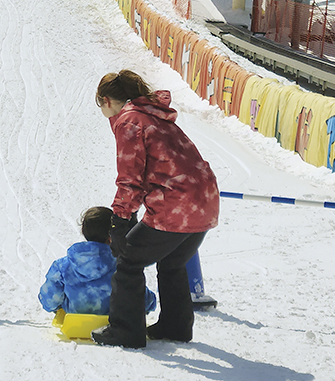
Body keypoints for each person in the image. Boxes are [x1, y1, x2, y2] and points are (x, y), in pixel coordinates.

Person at [91, 70, 219, 349]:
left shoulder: (130, 120)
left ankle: (125, 332)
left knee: (128, 263)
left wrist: (120, 220)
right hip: (206, 201)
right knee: (172, 262)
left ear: (106, 99)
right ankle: (175, 327)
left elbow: (130, 178)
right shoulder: (153, 115)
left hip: (176, 205)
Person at [38, 206, 156, 315]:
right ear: (112, 235)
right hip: (114, 323)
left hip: (74, 324)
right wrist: (151, 303)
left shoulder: (63, 266)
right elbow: (143, 301)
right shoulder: (122, 265)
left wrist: (58, 307)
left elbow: (48, 300)